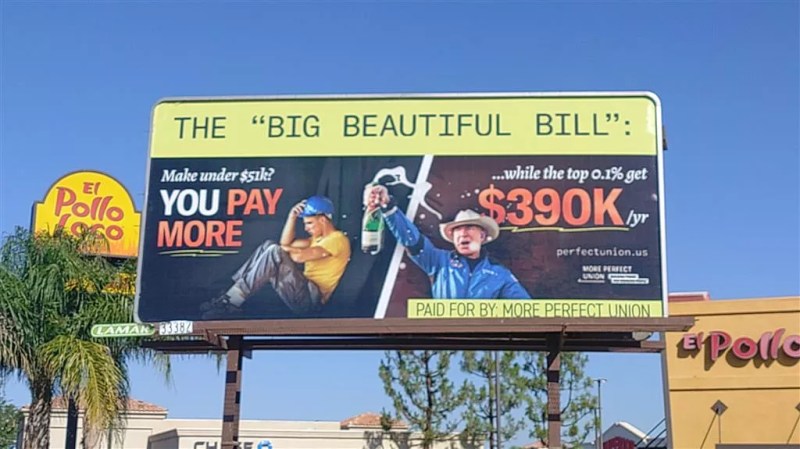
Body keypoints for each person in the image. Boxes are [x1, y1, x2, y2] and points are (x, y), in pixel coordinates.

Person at [364, 184, 530, 299]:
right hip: (443, 340)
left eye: (470, 227)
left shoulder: (500, 273)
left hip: (482, 344)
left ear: (483, 235)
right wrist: (388, 206)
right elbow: (411, 239)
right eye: (457, 229)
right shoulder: (438, 261)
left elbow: (526, 310)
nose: (463, 233)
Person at [200, 195, 351, 319]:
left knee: (274, 251)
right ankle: (230, 295)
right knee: (269, 245)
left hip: (312, 301)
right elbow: (285, 243)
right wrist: (291, 217)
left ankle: (231, 302)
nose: (306, 228)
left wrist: (281, 249)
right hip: (302, 291)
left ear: (323, 220)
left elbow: (298, 257)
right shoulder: (315, 240)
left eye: (310, 223)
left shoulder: (337, 239)